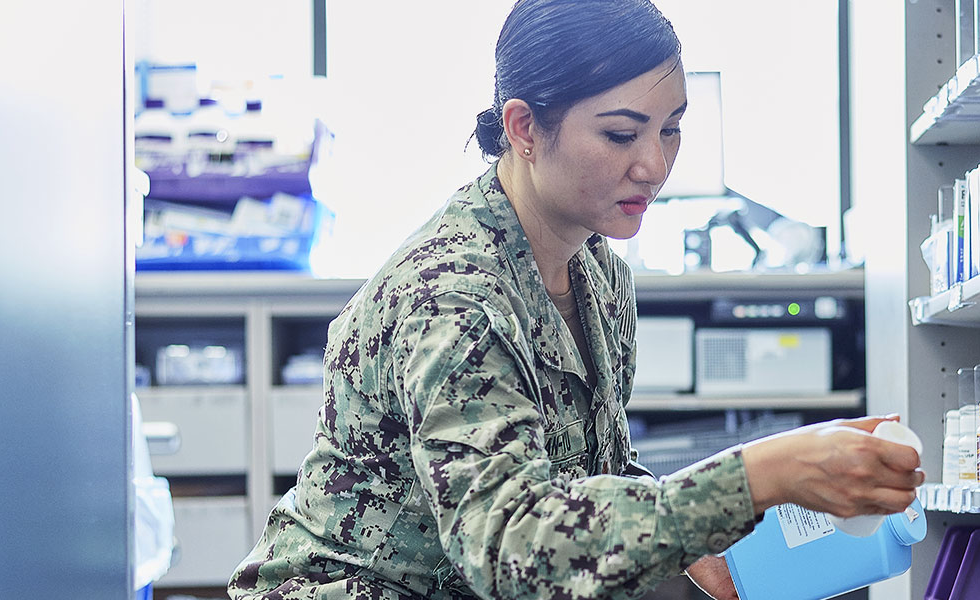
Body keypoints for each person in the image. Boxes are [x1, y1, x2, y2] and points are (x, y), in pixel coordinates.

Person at [229, 1, 924, 598]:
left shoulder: (595, 272)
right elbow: (510, 550)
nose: (653, 165)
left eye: (671, 127)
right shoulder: (453, 298)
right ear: (526, 128)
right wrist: (761, 475)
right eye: (622, 134)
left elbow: (586, 476)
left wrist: (698, 542)